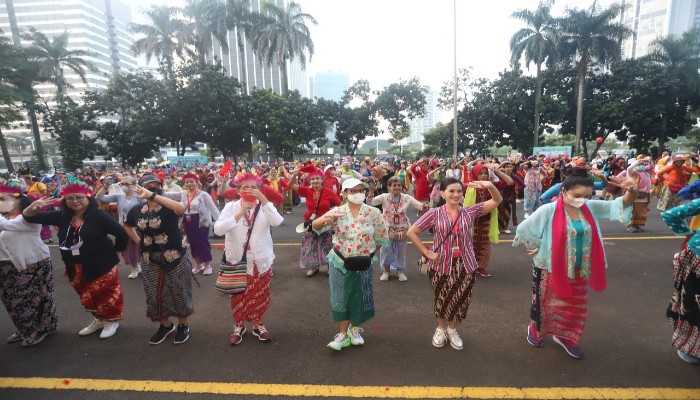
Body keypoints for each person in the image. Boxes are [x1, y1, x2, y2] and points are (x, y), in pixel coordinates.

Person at [513, 168, 636, 359]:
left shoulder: (590, 208)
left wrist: (632, 191)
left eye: (587, 196)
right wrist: (536, 246)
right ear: (563, 191)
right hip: (549, 267)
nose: (582, 200)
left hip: (580, 268)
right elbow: (524, 229)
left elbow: (619, 205)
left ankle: (566, 336)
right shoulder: (549, 210)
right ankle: (536, 330)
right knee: (545, 304)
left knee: (574, 307)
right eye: (577, 195)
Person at [23, 177, 129, 340]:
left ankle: (111, 321)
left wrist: (118, 252)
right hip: (74, 265)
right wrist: (32, 207)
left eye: (79, 197)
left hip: (102, 262)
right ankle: (99, 319)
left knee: (105, 292)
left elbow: (121, 233)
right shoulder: (62, 216)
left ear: (88, 198)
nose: (75, 201)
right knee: (86, 293)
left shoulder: (98, 216)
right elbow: (31, 218)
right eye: (70, 198)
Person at [406, 177, 502, 350]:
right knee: (442, 298)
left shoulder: (469, 212)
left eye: (459, 191)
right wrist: (427, 253)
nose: (456, 194)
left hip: (466, 264)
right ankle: (441, 328)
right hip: (441, 263)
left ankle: (452, 330)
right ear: (442, 193)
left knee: (461, 299)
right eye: (451, 191)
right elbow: (412, 232)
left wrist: (490, 185)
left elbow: (497, 200)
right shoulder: (434, 213)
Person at [312, 178, 388, 351]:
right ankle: (342, 334)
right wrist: (326, 218)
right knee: (339, 296)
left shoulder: (373, 213)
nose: (357, 194)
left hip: (364, 262)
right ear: (344, 193)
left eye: (360, 190)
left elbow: (381, 236)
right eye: (352, 191)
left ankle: (355, 329)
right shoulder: (337, 212)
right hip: (339, 261)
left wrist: (369, 255)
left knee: (360, 294)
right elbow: (316, 227)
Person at [214, 173, 284, 345]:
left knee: (261, 294)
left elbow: (277, 221)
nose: (249, 190)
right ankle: (238, 325)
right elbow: (218, 230)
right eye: (244, 187)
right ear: (238, 191)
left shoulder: (265, 206)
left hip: (260, 259)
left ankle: (258, 324)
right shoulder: (230, 207)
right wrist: (240, 213)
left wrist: (264, 201)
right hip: (237, 259)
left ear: (259, 190)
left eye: (254, 187)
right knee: (238, 294)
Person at [124, 174, 193, 345]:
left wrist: (152, 196)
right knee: (154, 294)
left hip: (174, 257)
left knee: (178, 291)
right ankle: (165, 325)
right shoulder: (137, 210)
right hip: (149, 259)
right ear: (139, 188)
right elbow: (127, 224)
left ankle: (183, 325)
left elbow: (181, 208)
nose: (152, 187)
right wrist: (138, 241)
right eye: (148, 185)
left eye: (156, 185)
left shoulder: (167, 206)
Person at [0, 181, 57, 347]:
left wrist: (30, 209)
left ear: (18, 200)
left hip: (33, 264)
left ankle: (39, 330)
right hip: (6, 267)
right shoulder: (5, 217)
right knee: (12, 302)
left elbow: (10, 226)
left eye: (3, 199)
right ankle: (24, 329)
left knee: (34, 300)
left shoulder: (28, 218)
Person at [660, 197, 700, 364]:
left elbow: (670, 215)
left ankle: (691, 350)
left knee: (692, 306)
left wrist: (690, 235)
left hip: (696, 259)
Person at [368, 176, 428, 282]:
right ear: (389, 187)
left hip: (403, 229)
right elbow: (371, 202)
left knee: (401, 251)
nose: (397, 187)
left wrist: (424, 206)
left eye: (399, 185)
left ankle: (400, 271)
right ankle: (386, 271)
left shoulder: (406, 198)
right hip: (387, 228)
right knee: (386, 250)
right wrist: (371, 192)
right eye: (394, 185)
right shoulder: (384, 197)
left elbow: (419, 205)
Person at [289, 166, 342, 276]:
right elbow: (290, 185)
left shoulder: (329, 192)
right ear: (309, 181)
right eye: (312, 179)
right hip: (310, 222)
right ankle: (314, 267)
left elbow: (340, 204)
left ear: (322, 180)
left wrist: (333, 212)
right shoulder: (306, 191)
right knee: (311, 245)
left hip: (326, 223)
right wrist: (294, 175)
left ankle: (329, 267)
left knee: (328, 245)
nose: (315, 181)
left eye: (317, 178)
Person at [464, 163, 513, 277]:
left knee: (484, 245)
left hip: (487, 220)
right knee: (470, 244)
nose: (483, 176)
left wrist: (496, 171)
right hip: (471, 221)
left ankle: (480, 267)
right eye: (480, 173)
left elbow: (509, 182)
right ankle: (469, 266)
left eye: (486, 173)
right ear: (475, 174)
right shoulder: (468, 186)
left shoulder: (492, 185)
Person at [96, 176, 145, 278]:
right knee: (127, 249)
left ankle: (142, 266)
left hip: (139, 227)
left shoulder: (139, 196)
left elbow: (146, 208)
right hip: (124, 227)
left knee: (140, 248)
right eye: (122, 184)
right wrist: (104, 187)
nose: (124, 186)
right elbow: (99, 197)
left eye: (127, 184)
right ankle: (134, 268)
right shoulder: (119, 196)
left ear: (134, 185)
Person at [177, 172, 220, 275]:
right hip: (188, 221)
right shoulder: (184, 194)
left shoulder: (203, 194)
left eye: (191, 181)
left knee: (203, 243)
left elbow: (213, 208)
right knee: (192, 243)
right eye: (187, 182)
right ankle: (198, 264)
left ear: (196, 183)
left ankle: (207, 265)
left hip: (201, 222)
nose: (189, 184)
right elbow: (169, 196)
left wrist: (220, 222)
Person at [496, 162, 524, 234]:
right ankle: (498, 228)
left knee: (507, 212)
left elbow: (523, 185)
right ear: (504, 168)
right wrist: (504, 163)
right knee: (499, 213)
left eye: (511, 167)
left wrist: (516, 190)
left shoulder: (515, 177)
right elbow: (495, 170)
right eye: (507, 167)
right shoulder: (500, 176)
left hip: (510, 197)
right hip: (499, 196)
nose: (509, 168)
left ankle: (505, 228)